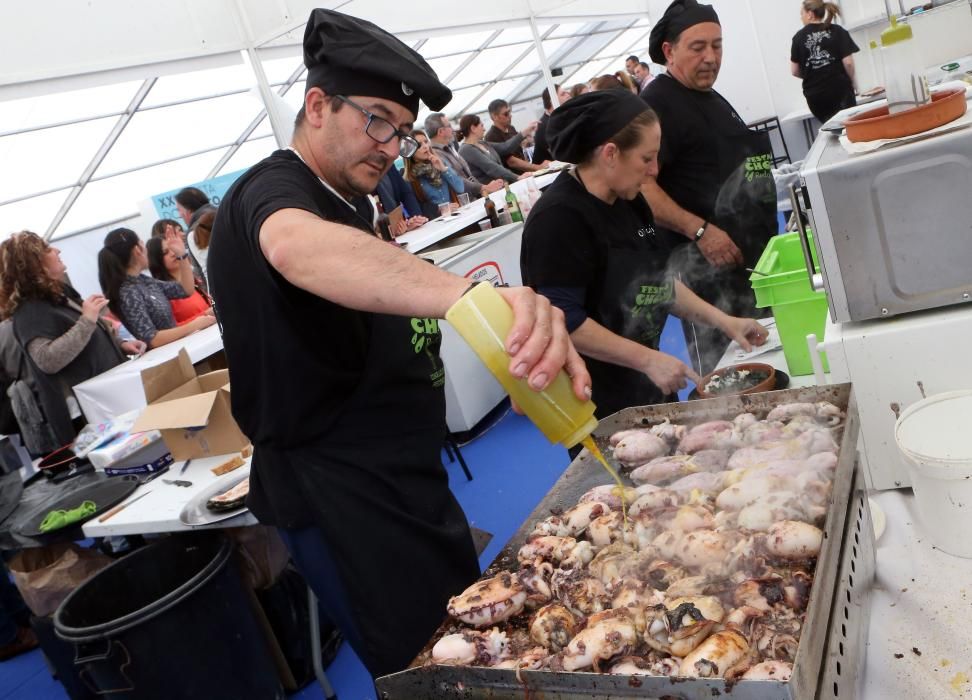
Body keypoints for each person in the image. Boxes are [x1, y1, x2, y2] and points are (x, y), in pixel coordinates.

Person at [206, 8, 590, 680]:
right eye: (377, 119)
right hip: (342, 495)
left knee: (470, 631)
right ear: (318, 105)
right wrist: (473, 298)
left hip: (406, 476)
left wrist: (509, 360)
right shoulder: (271, 192)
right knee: (430, 669)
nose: (390, 144)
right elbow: (295, 247)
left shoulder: (355, 201)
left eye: (403, 130)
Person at [521, 91, 767, 417]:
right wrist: (647, 359)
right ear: (610, 154)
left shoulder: (631, 201)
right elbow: (561, 321)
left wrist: (725, 321)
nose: (654, 171)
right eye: (646, 159)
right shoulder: (558, 219)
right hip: (596, 401)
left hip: (648, 382)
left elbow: (657, 281)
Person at [641, 0, 777, 375]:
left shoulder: (709, 95)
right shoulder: (657, 103)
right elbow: (641, 188)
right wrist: (700, 231)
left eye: (717, 46)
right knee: (732, 374)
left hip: (745, 263)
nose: (711, 57)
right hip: (704, 274)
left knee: (767, 362)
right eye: (697, 47)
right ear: (669, 51)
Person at [0, 232, 143, 448]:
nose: (57, 251)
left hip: (108, 400)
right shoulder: (30, 309)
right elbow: (47, 359)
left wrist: (119, 344)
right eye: (48, 249)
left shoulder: (56, 293)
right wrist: (87, 319)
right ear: (34, 263)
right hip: (91, 414)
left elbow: (81, 336)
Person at [98, 227, 216, 348]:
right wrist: (193, 325)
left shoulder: (142, 281)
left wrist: (181, 255)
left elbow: (185, 289)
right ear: (137, 250)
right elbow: (152, 339)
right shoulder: (127, 292)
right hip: (169, 357)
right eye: (142, 244)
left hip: (178, 348)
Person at [790, 1, 859, 123]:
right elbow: (848, 63)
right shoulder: (838, 31)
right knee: (850, 126)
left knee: (832, 129)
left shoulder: (798, 38)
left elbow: (795, 71)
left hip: (816, 97)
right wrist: (852, 83)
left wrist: (810, 74)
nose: (801, 18)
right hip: (840, 91)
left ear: (810, 14)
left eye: (802, 14)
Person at [424, 113, 504, 197]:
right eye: (449, 126)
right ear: (440, 131)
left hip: (474, 198)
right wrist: (484, 188)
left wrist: (485, 189)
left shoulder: (450, 148)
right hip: (465, 203)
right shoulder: (437, 155)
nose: (453, 129)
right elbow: (457, 178)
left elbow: (469, 176)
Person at [146, 237, 213, 325]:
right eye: (165, 252)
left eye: (174, 249)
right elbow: (171, 329)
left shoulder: (194, 281)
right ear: (156, 259)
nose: (173, 253)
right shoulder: (163, 291)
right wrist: (204, 315)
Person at [403, 130, 465, 211]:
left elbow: (460, 188)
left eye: (426, 142)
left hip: (456, 216)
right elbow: (417, 209)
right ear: (410, 151)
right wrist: (440, 209)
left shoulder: (439, 163)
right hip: (436, 221)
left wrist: (443, 169)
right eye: (419, 145)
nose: (425, 146)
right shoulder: (409, 179)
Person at [458, 114, 527, 184]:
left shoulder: (482, 143)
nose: (484, 129)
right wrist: (517, 177)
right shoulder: (467, 149)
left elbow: (505, 147)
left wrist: (524, 133)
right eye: (481, 126)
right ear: (473, 128)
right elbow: (492, 168)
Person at [484, 99, 544, 174]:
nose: (510, 115)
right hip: (515, 180)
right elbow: (511, 162)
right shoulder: (491, 136)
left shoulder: (511, 128)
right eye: (506, 114)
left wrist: (528, 141)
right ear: (495, 117)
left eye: (509, 112)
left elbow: (520, 151)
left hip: (525, 174)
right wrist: (538, 167)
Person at [174, 186, 214, 289]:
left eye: (179, 209)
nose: (179, 215)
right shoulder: (226, 214)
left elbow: (208, 271)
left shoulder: (196, 231)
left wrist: (215, 302)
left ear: (187, 210)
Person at [375, 164, 430, 230]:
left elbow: (405, 193)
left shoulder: (388, 164)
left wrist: (415, 218)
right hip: (378, 233)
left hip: (400, 226)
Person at [531, 83, 572, 165]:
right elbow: (560, 154)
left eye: (567, 92)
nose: (568, 95)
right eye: (563, 94)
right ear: (553, 101)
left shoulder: (560, 118)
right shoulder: (544, 126)